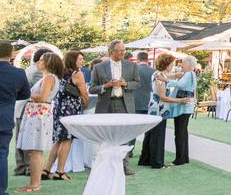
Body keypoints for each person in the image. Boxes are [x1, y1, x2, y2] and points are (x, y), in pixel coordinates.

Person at [90, 40, 140, 176]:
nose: (122, 53)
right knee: (106, 135)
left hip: (125, 104)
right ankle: (105, 165)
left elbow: (137, 84)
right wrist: (106, 86)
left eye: (123, 50)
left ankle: (124, 166)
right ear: (111, 51)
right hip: (106, 104)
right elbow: (92, 88)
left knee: (125, 135)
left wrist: (125, 83)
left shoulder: (132, 66)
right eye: (119, 50)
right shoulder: (99, 67)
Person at [16, 52, 63, 193]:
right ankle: (34, 183)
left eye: (42, 60)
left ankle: (34, 184)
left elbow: (43, 97)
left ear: (48, 63)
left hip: (38, 114)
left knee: (35, 150)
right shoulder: (48, 77)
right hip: (37, 113)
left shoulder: (49, 77)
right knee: (34, 150)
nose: (38, 62)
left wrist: (25, 93)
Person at [44, 51, 89, 180]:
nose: (82, 61)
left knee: (58, 140)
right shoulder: (77, 74)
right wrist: (84, 103)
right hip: (70, 110)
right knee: (67, 140)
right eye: (80, 59)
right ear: (73, 60)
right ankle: (60, 171)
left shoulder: (58, 73)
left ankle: (46, 169)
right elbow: (84, 93)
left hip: (58, 108)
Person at [140, 53, 188, 169]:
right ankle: (157, 163)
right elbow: (163, 97)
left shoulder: (158, 74)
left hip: (154, 108)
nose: (173, 66)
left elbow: (169, 77)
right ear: (167, 65)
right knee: (158, 135)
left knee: (150, 134)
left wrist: (179, 74)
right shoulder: (159, 76)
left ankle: (146, 159)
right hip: (159, 109)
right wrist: (180, 100)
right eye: (172, 64)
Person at [0, 41, 31, 195]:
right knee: (1, 155)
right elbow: (26, 93)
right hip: (4, 117)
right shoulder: (18, 73)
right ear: (11, 54)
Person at [13, 48, 47, 177]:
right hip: (28, 108)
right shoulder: (38, 72)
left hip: (20, 107)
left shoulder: (30, 69)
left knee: (20, 139)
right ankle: (29, 168)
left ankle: (20, 167)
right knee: (28, 139)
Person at [165, 55, 197, 165]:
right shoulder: (192, 74)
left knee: (179, 133)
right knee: (183, 133)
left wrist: (167, 81)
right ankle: (184, 157)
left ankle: (180, 159)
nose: (181, 65)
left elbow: (181, 85)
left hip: (183, 107)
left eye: (183, 63)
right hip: (187, 106)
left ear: (188, 64)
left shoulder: (188, 74)